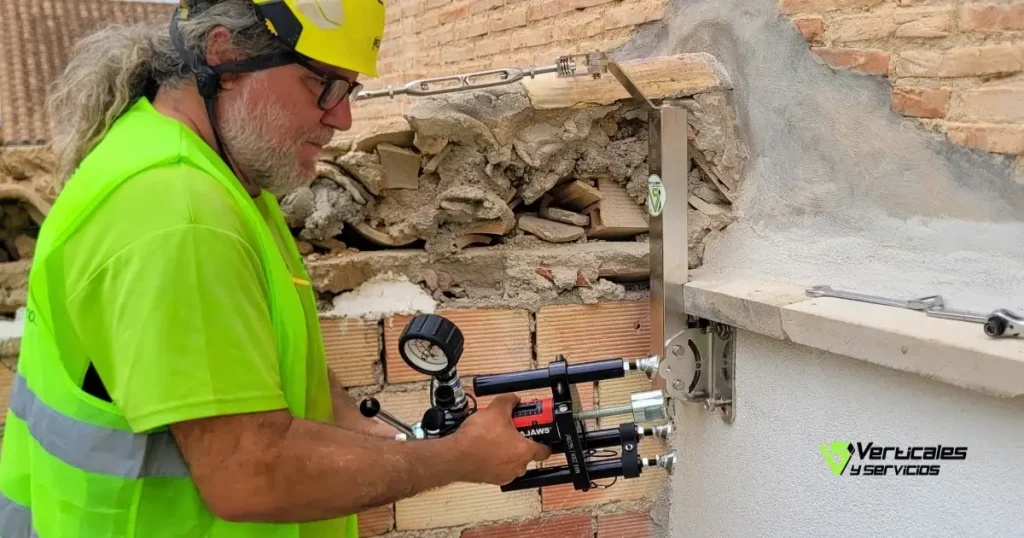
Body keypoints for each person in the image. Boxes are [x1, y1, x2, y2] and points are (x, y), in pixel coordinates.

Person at [0, 1, 551, 536]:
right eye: (322, 85)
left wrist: (363, 433)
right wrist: (456, 458)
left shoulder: (219, 175)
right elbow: (249, 475)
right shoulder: (180, 214)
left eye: (350, 89)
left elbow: (265, 360)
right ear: (225, 54)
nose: (343, 116)